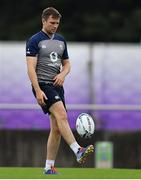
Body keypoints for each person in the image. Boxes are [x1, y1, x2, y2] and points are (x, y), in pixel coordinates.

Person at [26, 7, 94, 174]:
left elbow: (67, 64)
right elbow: (30, 68)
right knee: (62, 115)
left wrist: (63, 74)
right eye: (52, 23)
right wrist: (38, 90)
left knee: (56, 127)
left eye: (57, 23)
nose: (55, 26)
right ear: (43, 21)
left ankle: (48, 167)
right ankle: (78, 150)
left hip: (57, 86)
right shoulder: (34, 41)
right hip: (43, 85)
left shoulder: (61, 40)